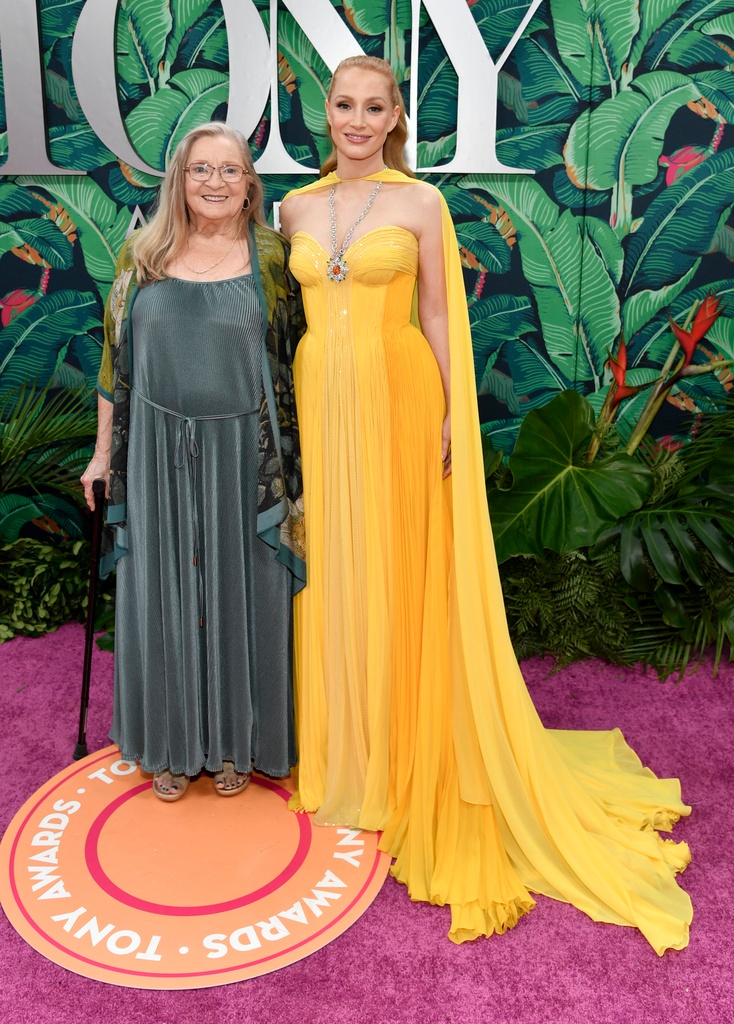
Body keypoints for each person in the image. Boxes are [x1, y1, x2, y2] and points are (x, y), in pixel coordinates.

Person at [278, 56, 692, 953]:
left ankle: (404, 752)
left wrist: (450, 419)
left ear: (395, 119)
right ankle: (349, 750)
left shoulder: (422, 204)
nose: (357, 120)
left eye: (374, 107)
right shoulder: (294, 210)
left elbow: (437, 316)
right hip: (322, 408)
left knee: (400, 571)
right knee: (337, 571)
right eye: (344, 104)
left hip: (400, 402)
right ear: (326, 112)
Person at [81, 122, 306, 802]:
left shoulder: (273, 256)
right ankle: (172, 745)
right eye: (200, 169)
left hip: (247, 452)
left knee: (249, 590)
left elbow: (298, 357)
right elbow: (113, 363)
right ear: (179, 180)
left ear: (250, 185)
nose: (215, 181)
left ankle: (239, 741)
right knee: (161, 591)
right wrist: (101, 456)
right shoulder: (141, 254)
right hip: (155, 451)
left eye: (230, 169)